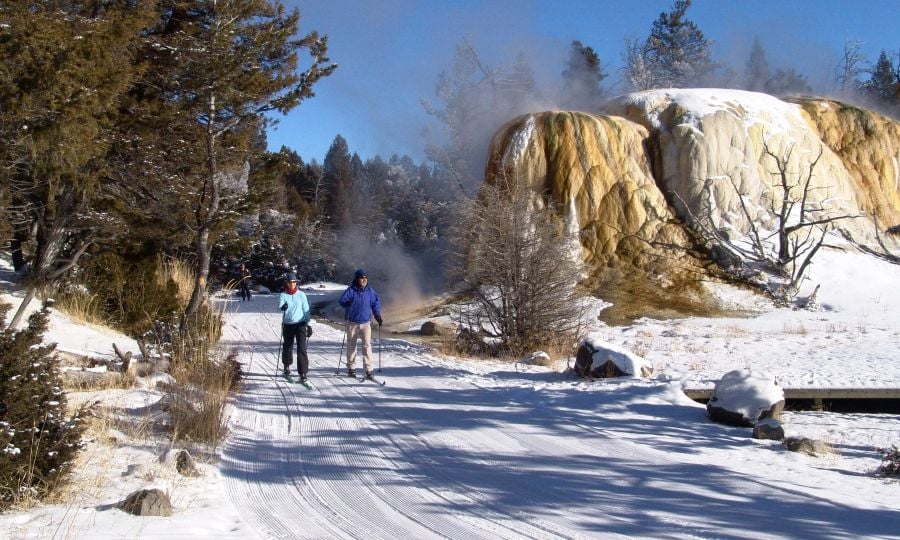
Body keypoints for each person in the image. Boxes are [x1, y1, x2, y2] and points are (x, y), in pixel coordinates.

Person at [338, 268, 382, 379]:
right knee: (351, 345)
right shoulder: (351, 290)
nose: (364, 280)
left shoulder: (370, 291)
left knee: (367, 346)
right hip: (352, 322)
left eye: (365, 278)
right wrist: (348, 303)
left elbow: (375, 303)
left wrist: (377, 316)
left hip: (366, 323)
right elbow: (342, 301)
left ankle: (368, 370)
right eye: (361, 278)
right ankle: (351, 368)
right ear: (357, 279)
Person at [279, 272, 311, 383]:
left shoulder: (301, 295)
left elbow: (306, 309)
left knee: (302, 348)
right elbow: (280, 306)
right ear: (286, 283)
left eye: (294, 282)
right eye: (290, 282)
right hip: (288, 324)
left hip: (300, 324)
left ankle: (303, 373)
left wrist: (309, 325)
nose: (292, 284)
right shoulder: (283, 295)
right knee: (288, 346)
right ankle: (287, 366)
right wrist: (284, 306)